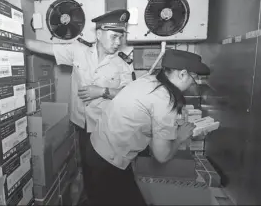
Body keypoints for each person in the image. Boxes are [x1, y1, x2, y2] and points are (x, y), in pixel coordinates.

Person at [25, 9, 134, 203]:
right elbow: (44, 47)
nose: (119, 42)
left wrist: (102, 91)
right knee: (88, 169)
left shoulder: (123, 65)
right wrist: (6, 37)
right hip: (82, 126)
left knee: (107, 173)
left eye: (121, 37)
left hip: (106, 129)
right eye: (115, 36)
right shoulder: (78, 51)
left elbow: (129, 96)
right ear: (99, 34)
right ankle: (93, 199)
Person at [85, 49, 211, 205]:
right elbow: (162, 156)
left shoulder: (149, 80)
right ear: (183, 74)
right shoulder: (165, 100)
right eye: (195, 76)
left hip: (95, 148)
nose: (195, 82)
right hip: (108, 163)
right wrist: (179, 137)